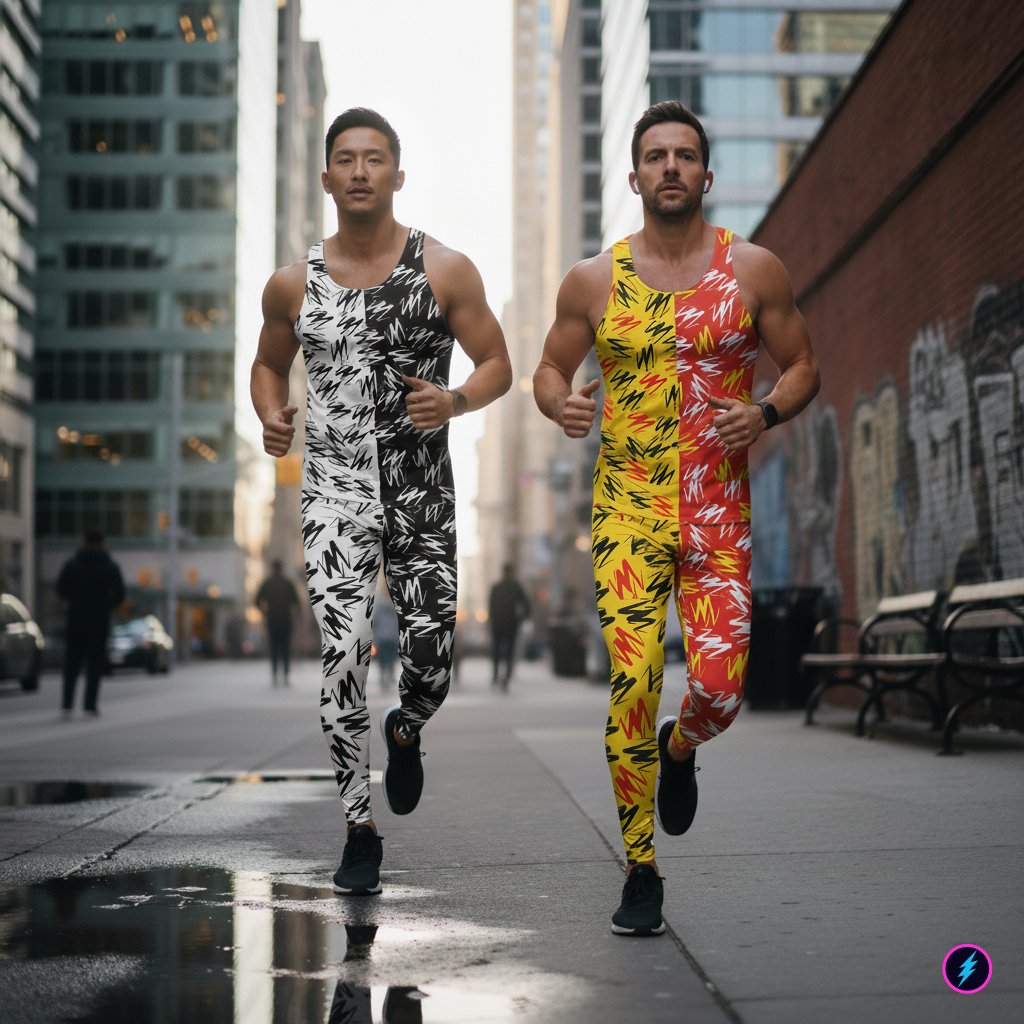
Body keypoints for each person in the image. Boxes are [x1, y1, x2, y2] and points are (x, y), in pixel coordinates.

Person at [533, 101, 820, 936]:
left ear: (705, 174)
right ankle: (641, 869)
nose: (669, 168)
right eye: (654, 156)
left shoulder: (754, 269)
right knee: (632, 682)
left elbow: (803, 363)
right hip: (626, 510)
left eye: (684, 155)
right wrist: (563, 406)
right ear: (634, 176)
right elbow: (549, 370)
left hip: (717, 512)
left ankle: (682, 746)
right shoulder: (593, 280)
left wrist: (764, 413)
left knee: (723, 688)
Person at [251, 108, 512, 897]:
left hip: (419, 486)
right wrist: (270, 413)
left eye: (374, 159)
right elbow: (267, 366)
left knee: (430, 659)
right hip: (333, 487)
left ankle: (406, 728)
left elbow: (498, 361)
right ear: (327, 177)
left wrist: (458, 401)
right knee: (340, 655)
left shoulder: (445, 269)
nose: (359, 171)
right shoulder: (293, 282)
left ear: (398, 175)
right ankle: (357, 827)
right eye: (345, 159)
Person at [57, 529, 126, 717]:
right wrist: (107, 606)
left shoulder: (72, 565)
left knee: (72, 662)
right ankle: (90, 705)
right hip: (99, 620)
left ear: (83, 541)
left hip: (76, 619)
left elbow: (61, 590)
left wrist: (72, 602)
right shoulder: (110, 566)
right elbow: (120, 594)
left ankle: (67, 704)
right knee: (94, 664)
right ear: (103, 542)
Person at [255, 559, 300, 686]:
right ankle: (285, 675)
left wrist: (265, 613)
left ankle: (275, 675)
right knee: (285, 648)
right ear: (282, 568)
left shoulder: (267, 583)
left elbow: (257, 601)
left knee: (274, 648)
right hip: (286, 620)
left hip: (272, 621)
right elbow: (297, 603)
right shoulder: (288, 583)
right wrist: (295, 615)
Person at [487, 562, 530, 689]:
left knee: (497, 650)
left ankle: (496, 676)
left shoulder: (497, 587)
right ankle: (506, 675)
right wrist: (522, 618)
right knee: (509, 650)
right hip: (511, 623)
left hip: (498, 623)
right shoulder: (515, 587)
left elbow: (491, 606)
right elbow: (526, 604)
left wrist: (491, 620)